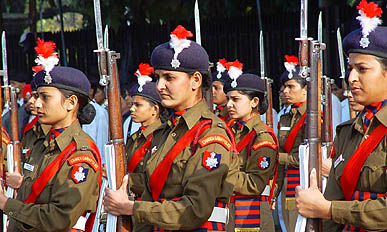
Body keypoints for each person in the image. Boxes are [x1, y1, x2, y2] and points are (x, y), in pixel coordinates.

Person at [103, 25, 237, 231]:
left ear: (195, 80)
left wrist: (131, 208)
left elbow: (195, 208)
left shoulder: (211, 134)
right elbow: (152, 189)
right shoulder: (165, 131)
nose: (159, 86)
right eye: (158, 78)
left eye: (169, 78)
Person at [296, 1, 387, 231]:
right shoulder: (348, 131)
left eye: (362, 69)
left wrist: (327, 209)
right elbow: (334, 204)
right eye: (350, 68)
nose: (351, 78)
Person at [1, 38, 102, 231]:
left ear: (71, 103)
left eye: (45, 97)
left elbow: (60, 218)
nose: (37, 104)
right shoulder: (42, 143)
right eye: (37, 96)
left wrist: (7, 205)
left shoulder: (80, 154)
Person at [224, 61, 278, 231]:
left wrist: (219, 175)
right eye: (228, 99)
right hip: (230, 210)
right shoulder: (231, 129)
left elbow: (254, 184)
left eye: (235, 99)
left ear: (254, 101)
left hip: (250, 214)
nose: (229, 104)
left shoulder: (262, 137)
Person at [276, 55, 307, 232]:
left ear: (305, 90)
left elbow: (308, 156)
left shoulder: (312, 117)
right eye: (284, 87)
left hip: (302, 180)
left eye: (291, 86)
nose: (285, 91)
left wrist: (277, 157)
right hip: (287, 179)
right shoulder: (286, 116)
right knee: (287, 225)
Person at [126, 63, 165, 199]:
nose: (132, 109)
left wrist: (122, 177)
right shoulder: (135, 137)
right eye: (132, 104)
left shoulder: (163, 137)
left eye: (138, 105)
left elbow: (155, 181)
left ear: (154, 109)